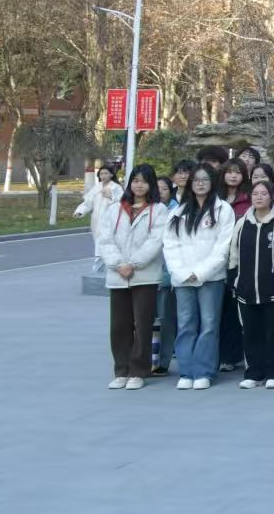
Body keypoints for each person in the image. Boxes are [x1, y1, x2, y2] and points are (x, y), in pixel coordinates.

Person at [162, 165, 235, 390]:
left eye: (205, 179)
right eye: (196, 180)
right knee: (186, 324)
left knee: (209, 324)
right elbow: (170, 245)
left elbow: (223, 247)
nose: (200, 184)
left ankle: (203, 371)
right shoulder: (179, 211)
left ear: (213, 182)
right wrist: (182, 272)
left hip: (211, 278)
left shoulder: (223, 210)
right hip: (182, 278)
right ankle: (187, 371)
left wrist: (200, 272)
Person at [97, 164, 166, 390]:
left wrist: (133, 263)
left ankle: (138, 371)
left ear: (151, 184)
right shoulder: (115, 209)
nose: (139, 185)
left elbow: (156, 241)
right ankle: (121, 370)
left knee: (143, 324)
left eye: (144, 181)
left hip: (144, 275)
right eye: (135, 180)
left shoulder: (158, 210)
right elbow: (105, 239)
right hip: (118, 275)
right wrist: (118, 264)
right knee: (119, 325)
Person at [228, 178, 274, 389]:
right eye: (255, 194)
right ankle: (253, 373)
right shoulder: (242, 223)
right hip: (246, 289)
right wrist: (235, 281)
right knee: (250, 333)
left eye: (264, 194)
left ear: (272, 196)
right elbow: (233, 255)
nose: (259, 197)